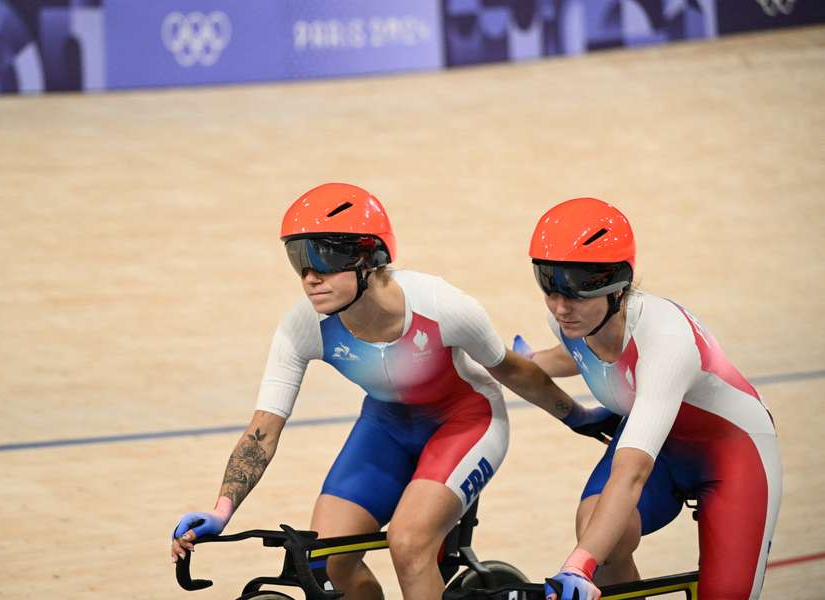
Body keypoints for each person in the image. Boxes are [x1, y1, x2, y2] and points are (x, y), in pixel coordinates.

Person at [170, 183, 614, 600]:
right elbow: (262, 431)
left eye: (322, 259)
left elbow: (511, 370)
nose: (308, 277)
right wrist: (222, 509)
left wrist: (575, 415)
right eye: (298, 260)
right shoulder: (302, 326)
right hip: (386, 427)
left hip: (466, 422)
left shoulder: (443, 306)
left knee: (409, 543)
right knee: (329, 559)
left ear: (368, 259)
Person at [514, 198, 781, 600]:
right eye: (548, 287)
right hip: (660, 441)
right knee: (598, 531)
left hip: (733, 453)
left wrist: (575, 569)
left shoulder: (666, 341)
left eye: (575, 297)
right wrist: (533, 363)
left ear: (618, 289)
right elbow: (580, 352)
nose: (559, 307)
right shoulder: (571, 318)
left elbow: (631, 474)